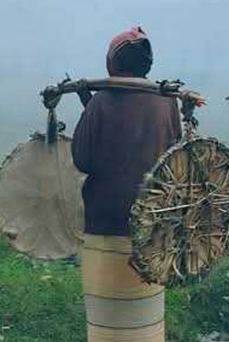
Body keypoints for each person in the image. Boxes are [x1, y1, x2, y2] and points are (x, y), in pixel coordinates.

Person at [72, 26, 182, 342]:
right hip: (154, 224)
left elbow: (83, 159)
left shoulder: (101, 103)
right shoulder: (167, 102)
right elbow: (175, 154)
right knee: (143, 320)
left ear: (113, 63)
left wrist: (90, 110)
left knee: (110, 321)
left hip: (106, 223)